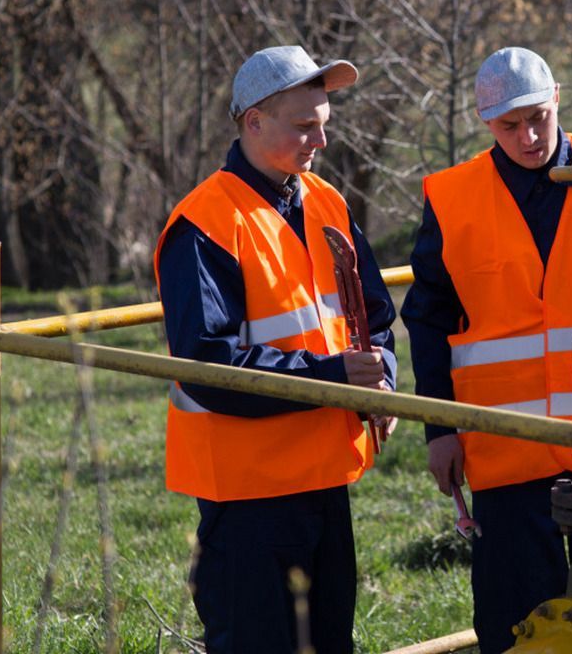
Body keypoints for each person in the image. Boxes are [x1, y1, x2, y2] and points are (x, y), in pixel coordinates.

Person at [154, 45, 397, 654]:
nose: (320, 141)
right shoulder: (206, 222)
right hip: (248, 496)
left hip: (323, 479)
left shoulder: (326, 202)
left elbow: (373, 317)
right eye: (304, 126)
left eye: (324, 125)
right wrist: (336, 375)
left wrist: (382, 375)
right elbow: (205, 368)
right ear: (253, 122)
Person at [400, 47, 572, 653]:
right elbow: (427, 319)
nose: (528, 137)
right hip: (505, 448)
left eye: (538, 116)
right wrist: (439, 430)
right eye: (509, 126)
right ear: (485, 122)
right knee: (516, 624)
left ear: (557, 96)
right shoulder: (453, 197)